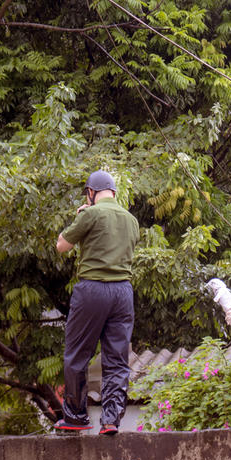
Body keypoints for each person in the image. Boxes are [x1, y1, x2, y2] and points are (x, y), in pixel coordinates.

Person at [55, 170, 141, 435]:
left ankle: (76, 416)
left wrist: (81, 215)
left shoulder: (89, 214)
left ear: (91, 193)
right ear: (113, 192)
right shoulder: (131, 220)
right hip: (123, 293)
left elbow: (62, 245)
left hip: (93, 289)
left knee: (77, 353)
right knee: (117, 359)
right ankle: (111, 419)